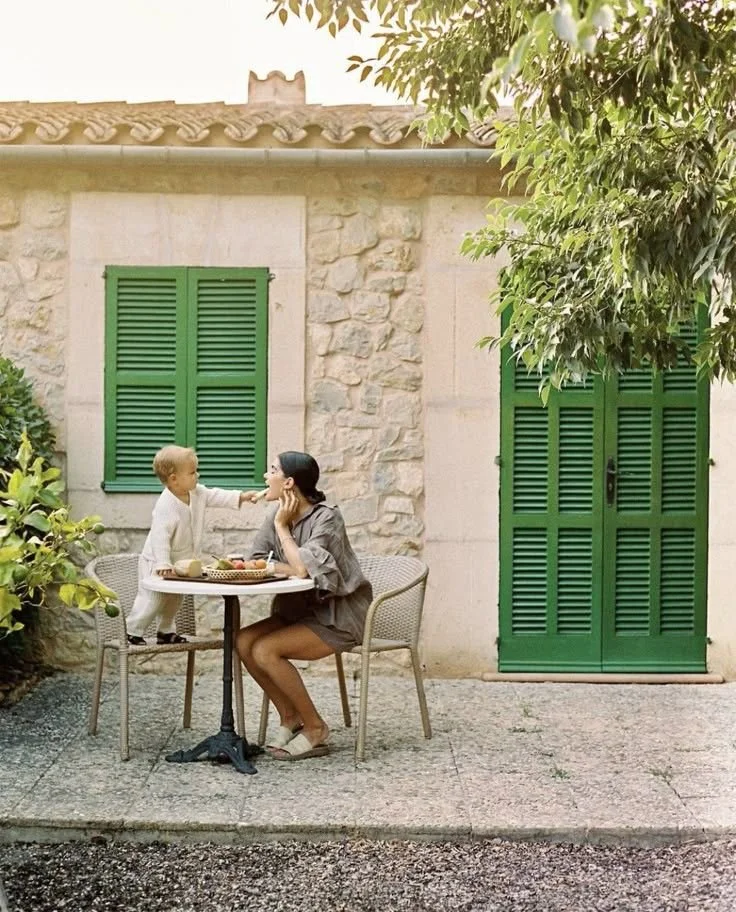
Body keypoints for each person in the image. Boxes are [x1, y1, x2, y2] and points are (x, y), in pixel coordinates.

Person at [235, 451, 372, 761]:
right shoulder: (274, 514)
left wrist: (283, 530)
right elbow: (257, 559)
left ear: (289, 482)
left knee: (265, 650)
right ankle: (290, 717)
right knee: (242, 641)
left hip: (337, 616)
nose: (265, 477)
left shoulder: (327, 517)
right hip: (297, 612)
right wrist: (249, 563)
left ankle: (315, 727)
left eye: (272, 470)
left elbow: (301, 569)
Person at [126, 444, 262, 646]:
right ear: (174, 479)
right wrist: (162, 562)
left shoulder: (197, 493)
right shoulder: (166, 505)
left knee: (175, 599)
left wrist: (241, 496)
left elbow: (217, 495)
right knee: (152, 599)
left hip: (182, 561)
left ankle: (165, 630)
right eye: (192, 472)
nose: (197, 475)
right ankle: (133, 630)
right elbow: (159, 537)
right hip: (157, 561)